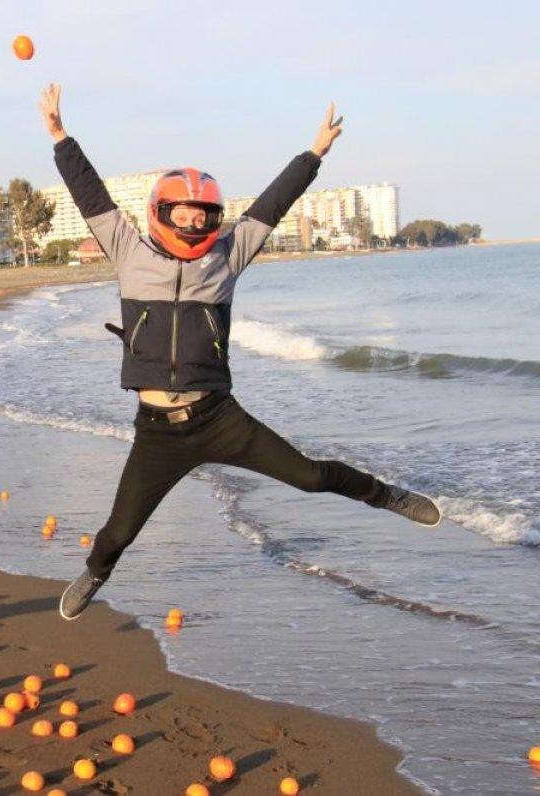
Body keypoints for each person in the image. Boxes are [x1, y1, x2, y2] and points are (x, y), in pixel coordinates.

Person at [36, 85, 443, 621]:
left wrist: (314, 153)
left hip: (219, 419)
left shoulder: (227, 258)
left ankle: (385, 495)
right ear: (161, 211)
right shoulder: (128, 250)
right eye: (183, 215)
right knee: (119, 531)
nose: (194, 225)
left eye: (204, 216)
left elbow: (274, 204)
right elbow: (91, 196)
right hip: (158, 431)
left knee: (312, 477)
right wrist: (61, 137)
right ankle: (94, 574)